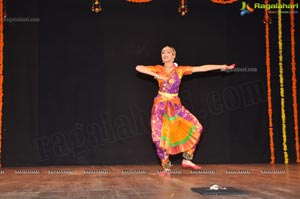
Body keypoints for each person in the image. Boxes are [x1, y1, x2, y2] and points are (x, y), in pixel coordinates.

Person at [136, 46, 235, 176]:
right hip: (160, 106)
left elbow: (201, 68)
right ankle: (166, 167)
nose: (165, 54)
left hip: (175, 106)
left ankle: (187, 159)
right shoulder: (158, 69)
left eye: (168, 52)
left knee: (197, 127)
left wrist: (222, 66)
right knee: (158, 139)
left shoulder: (180, 70)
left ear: (173, 56)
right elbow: (138, 67)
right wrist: (156, 75)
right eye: (162, 53)